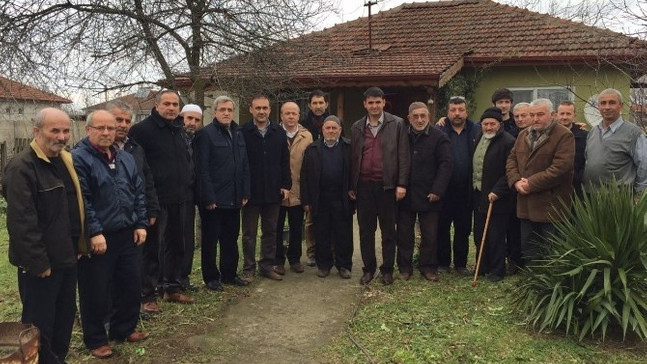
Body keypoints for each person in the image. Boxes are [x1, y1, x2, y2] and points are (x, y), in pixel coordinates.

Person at [2, 108, 85, 364]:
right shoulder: (22, 167)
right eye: (54, 130)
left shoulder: (65, 161)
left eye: (65, 131)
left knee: (64, 316)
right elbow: (21, 222)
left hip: (67, 257)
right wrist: (38, 262)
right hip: (42, 265)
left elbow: (76, 206)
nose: (61, 137)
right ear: (36, 131)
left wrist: (80, 242)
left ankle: (58, 359)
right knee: (40, 324)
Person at [73, 110, 149, 358]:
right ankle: (96, 338)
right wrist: (94, 231)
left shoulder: (124, 157)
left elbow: (138, 190)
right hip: (99, 237)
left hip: (127, 232)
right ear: (88, 130)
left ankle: (123, 328)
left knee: (130, 283)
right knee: (96, 289)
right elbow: (84, 200)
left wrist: (140, 223)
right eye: (100, 128)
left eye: (110, 127)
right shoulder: (79, 159)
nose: (106, 132)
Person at [128, 90, 195, 306]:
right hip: (156, 199)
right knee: (151, 249)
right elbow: (138, 168)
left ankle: (172, 287)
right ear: (157, 105)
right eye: (167, 104)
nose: (172, 108)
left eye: (175, 104)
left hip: (180, 197)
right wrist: (148, 201)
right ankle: (147, 294)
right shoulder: (142, 131)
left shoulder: (178, 129)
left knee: (177, 245)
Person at [350, 86, 410, 285]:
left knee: (388, 231)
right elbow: (354, 157)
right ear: (365, 104)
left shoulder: (397, 124)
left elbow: (403, 156)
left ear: (384, 102)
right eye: (370, 102)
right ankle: (368, 269)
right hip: (364, 186)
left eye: (378, 102)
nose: (374, 106)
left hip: (388, 187)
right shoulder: (357, 126)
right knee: (366, 231)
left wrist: (401, 184)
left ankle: (387, 270)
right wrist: (353, 185)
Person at [506, 99, 574, 264]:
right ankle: (532, 285)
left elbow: (560, 168)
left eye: (540, 114)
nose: (535, 118)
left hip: (551, 206)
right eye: (532, 115)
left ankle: (551, 289)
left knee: (552, 253)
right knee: (529, 251)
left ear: (552, 115)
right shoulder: (523, 135)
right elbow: (511, 160)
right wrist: (515, 182)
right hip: (526, 206)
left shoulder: (564, 135)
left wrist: (530, 183)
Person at [193, 96, 250, 291]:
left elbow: (244, 166)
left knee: (230, 239)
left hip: (234, 197)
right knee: (210, 240)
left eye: (229, 109)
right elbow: (202, 169)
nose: (226, 113)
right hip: (214, 200)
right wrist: (208, 197)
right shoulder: (205, 135)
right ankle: (211, 277)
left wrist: (245, 191)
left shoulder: (238, 133)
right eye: (222, 109)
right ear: (215, 112)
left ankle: (229, 274)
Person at [397, 102, 452, 282]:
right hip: (406, 194)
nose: (419, 120)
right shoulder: (401, 135)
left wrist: (438, 189)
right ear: (409, 118)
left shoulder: (439, 137)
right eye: (415, 116)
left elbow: (446, 165)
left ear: (429, 116)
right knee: (405, 234)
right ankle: (405, 267)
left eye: (423, 116)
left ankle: (428, 267)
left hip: (430, 195)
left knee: (430, 235)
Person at [241, 94, 292, 281]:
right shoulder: (243, 132)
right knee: (249, 233)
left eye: (265, 108)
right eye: (258, 108)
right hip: (250, 192)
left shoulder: (278, 132)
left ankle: (266, 265)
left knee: (270, 231)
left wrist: (286, 185)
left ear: (270, 110)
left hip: (273, 190)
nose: (262, 111)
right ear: (251, 110)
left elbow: (284, 161)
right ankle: (248, 268)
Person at [301, 115, 354, 278]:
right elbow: (305, 176)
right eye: (327, 128)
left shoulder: (349, 147)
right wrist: (306, 200)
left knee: (343, 233)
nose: (331, 131)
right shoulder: (312, 149)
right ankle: (323, 265)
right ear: (322, 130)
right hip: (320, 198)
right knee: (321, 233)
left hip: (342, 198)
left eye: (334, 128)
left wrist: (353, 191)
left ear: (340, 130)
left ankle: (344, 265)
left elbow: (354, 173)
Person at [435, 96, 480, 276]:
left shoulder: (476, 130)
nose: (457, 113)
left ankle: (461, 264)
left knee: (463, 228)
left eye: (461, 110)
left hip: (466, 190)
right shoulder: (439, 130)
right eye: (453, 110)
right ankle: (443, 262)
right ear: (447, 112)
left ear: (466, 111)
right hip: (444, 190)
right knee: (442, 227)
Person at [472, 107, 516, 282]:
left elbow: (510, 171)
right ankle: (482, 267)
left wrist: (498, 190)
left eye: (492, 124)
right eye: (485, 124)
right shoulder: (479, 137)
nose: (488, 127)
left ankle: (497, 271)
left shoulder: (508, 141)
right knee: (479, 233)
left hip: (498, 197)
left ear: (499, 124)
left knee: (496, 235)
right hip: (478, 193)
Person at [583, 88, 646, 196]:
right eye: (603, 103)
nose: (607, 107)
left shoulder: (633, 133)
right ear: (598, 107)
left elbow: (644, 165)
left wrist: (638, 191)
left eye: (612, 103)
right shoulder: (593, 132)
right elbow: (588, 160)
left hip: (618, 200)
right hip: (591, 195)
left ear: (621, 106)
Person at [274, 101, 313, 275]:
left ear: (299, 115)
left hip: (299, 189)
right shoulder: (273, 134)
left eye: (294, 113)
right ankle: (278, 260)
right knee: (277, 226)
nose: (290, 116)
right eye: (287, 113)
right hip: (278, 190)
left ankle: (295, 259)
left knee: (297, 226)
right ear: (281, 115)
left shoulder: (307, 136)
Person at [300, 90, 330, 266]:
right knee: (311, 220)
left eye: (321, 103)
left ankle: (328, 251)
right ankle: (311, 252)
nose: (318, 106)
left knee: (329, 219)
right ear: (310, 105)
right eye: (315, 103)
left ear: (326, 104)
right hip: (310, 178)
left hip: (329, 178)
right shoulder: (303, 125)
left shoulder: (332, 122)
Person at [179, 104, 203, 292]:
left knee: (187, 238)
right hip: (173, 196)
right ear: (182, 118)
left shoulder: (197, 139)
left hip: (190, 195)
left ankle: (183, 277)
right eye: (189, 118)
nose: (192, 123)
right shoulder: (175, 138)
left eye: (196, 120)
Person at [556, 100, 588, 199]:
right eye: (562, 113)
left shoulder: (585, 136)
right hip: (553, 187)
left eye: (568, 114)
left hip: (576, 189)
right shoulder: (549, 135)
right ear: (557, 115)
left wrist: (579, 177)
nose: (564, 117)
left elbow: (589, 160)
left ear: (574, 115)